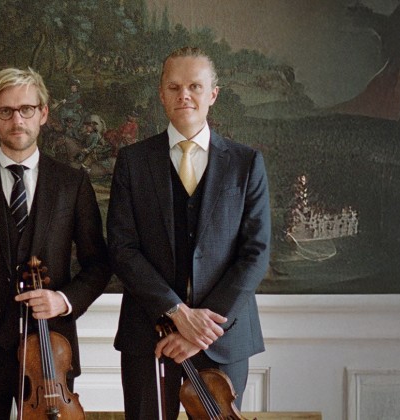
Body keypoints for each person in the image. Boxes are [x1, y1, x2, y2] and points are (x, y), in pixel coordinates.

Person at [0, 67, 112, 419]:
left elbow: (99, 264)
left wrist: (63, 301)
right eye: (6, 111)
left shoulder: (71, 184)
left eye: (27, 109)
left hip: (50, 351)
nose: (17, 120)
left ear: (43, 114)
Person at [106, 47, 271, 419]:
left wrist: (202, 329)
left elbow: (255, 253)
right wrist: (177, 312)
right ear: (162, 94)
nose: (185, 95)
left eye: (195, 86)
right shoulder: (132, 162)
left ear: (213, 93)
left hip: (224, 340)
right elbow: (123, 249)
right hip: (148, 337)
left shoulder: (246, 163)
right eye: (174, 86)